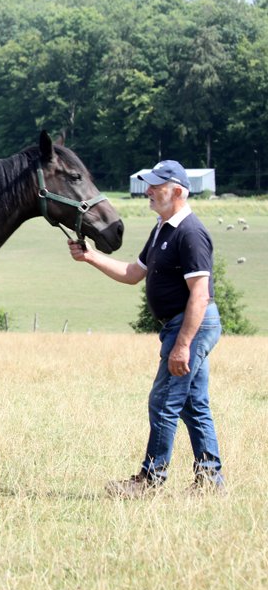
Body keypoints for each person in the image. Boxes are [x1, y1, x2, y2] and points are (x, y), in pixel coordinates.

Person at [68, 160, 225, 497]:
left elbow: (200, 295)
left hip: (190, 325)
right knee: (193, 404)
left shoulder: (190, 233)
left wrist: (183, 345)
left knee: (163, 401)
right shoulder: (162, 229)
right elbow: (132, 274)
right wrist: (90, 257)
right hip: (182, 325)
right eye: (149, 184)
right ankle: (210, 481)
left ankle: (150, 481)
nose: (148, 190)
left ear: (178, 191)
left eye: (156, 185)